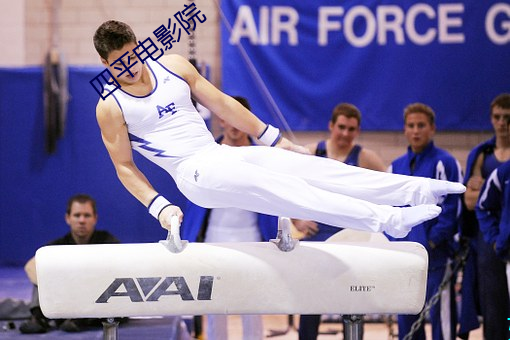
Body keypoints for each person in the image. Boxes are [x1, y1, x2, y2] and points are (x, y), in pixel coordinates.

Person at [93, 20, 464, 247]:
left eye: (132, 55)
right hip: (193, 174)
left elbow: (222, 103)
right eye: (118, 64)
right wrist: (160, 207)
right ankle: (387, 220)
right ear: (106, 65)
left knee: (311, 168)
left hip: (219, 156)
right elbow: (125, 167)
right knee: (288, 191)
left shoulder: (172, 66)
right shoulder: (110, 107)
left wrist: (274, 138)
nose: (130, 67)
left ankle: (413, 189)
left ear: (139, 46)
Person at [181, 96, 278, 340]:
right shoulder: (204, 154)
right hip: (214, 238)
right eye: (229, 119)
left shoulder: (262, 159)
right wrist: (187, 238)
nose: (235, 126)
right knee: (215, 305)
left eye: (239, 120)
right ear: (221, 120)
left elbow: (275, 199)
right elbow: (192, 198)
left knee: (253, 305)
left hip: (254, 239)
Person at [296, 102, 386, 340]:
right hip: (317, 235)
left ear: (357, 131)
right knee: (310, 302)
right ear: (331, 126)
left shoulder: (366, 158)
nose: (346, 134)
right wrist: (297, 220)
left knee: (354, 300)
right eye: (342, 127)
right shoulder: (311, 152)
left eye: (351, 129)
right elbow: (285, 189)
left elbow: (389, 192)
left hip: (351, 239)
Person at [387, 103, 462, 340]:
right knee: (407, 321)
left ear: (432, 129)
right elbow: (388, 209)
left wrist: (432, 241)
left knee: (442, 320)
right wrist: (395, 243)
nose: (416, 131)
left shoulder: (445, 163)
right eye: (411, 126)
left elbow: (452, 209)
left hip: (436, 257)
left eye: (421, 125)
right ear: (405, 130)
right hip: (405, 259)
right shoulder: (395, 167)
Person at [19, 194, 120, 334]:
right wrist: (60, 283)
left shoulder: (108, 242)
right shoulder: (57, 246)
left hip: (96, 301)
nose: (82, 220)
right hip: (65, 298)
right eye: (77, 215)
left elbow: (118, 270)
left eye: (87, 215)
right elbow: (30, 266)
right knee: (42, 270)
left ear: (95, 218)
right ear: (68, 218)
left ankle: (80, 319)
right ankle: (38, 318)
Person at [460, 93, 510, 340]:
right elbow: (469, 202)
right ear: (491, 119)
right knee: (493, 304)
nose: (502, 123)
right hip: (489, 238)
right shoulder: (482, 154)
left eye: (507, 118)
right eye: (497, 117)